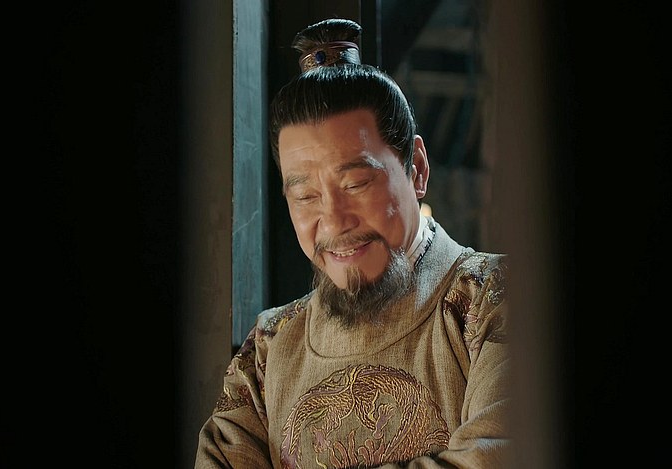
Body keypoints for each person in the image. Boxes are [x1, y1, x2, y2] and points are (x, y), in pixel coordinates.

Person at [195, 17, 509, 469]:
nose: (335, 221)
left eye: (356, 184)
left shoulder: (493, 299)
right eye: (306, 196)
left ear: (417, 169)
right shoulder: (268, 350)